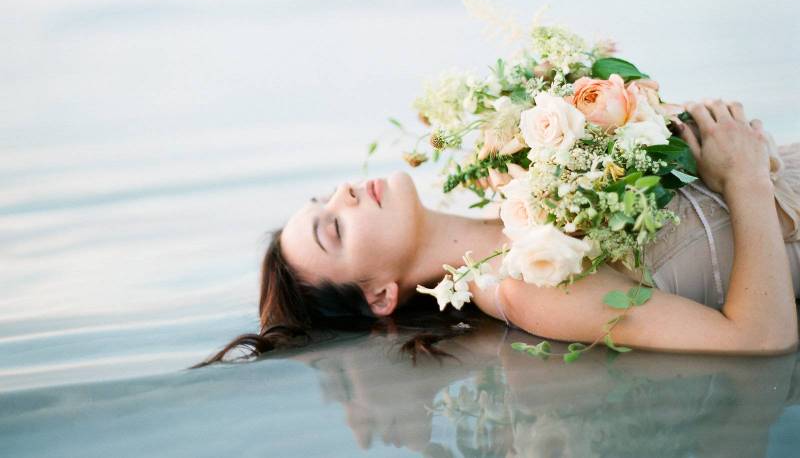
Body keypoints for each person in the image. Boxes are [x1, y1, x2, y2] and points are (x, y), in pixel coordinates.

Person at [195, 99, 800, 367]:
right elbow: (759, 337)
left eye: (323, 198)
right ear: (380, 294)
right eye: (334, 229)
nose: (344, 194)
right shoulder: (524, 285)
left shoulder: (512, 179)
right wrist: (742, 177)